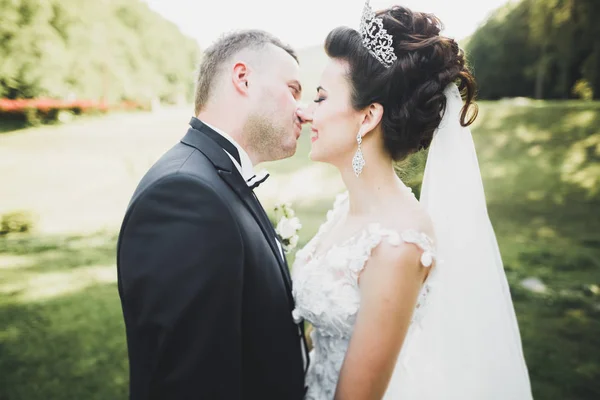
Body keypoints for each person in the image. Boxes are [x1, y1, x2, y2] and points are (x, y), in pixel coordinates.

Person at [292, 1, 533, 398]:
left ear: (368, 117)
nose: (305, 112)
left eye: (320, 98)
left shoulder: (398, 243)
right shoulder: (347, 209)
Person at [116, 30, 309, 399]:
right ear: (243, 78)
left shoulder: (213, 178)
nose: (303, 110)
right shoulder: (183, 196)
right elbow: (187, 384)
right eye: (293, 89)